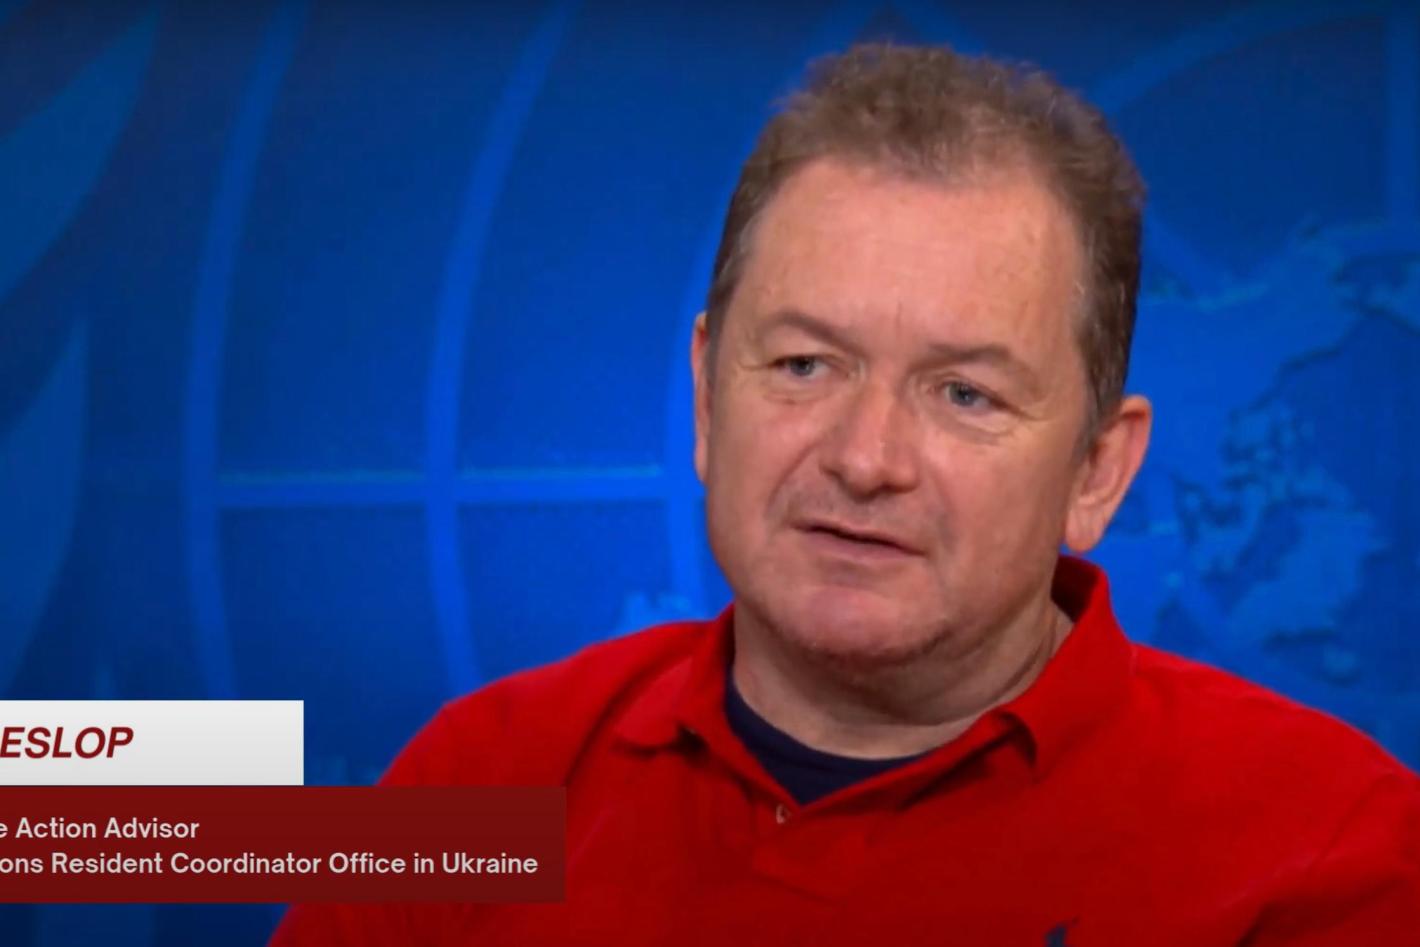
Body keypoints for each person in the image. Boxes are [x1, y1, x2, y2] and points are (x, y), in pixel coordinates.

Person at [273, 42, 1420, 945]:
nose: (866, 457)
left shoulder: (1338, 855)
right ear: (708, 402)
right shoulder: (485, 773)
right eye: (804, 365)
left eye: (964, 393)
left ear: (1095, 471)